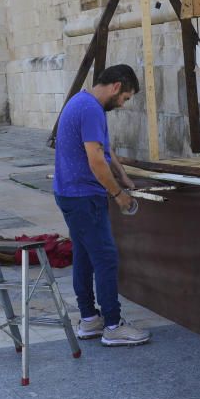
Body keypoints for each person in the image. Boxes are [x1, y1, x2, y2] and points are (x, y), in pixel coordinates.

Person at [53, 64, 151, 346]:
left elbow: (104, 150)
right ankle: (112, 324)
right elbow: (96, 159)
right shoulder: (91, 109)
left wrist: (122, 174)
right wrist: (119, 194)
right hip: (83, 196)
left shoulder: (81, 101)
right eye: (126, 98)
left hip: (70, 193)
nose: (122, 104)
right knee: (106, 258)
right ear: (117, 86)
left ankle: (88, 319)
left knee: (83, 255)